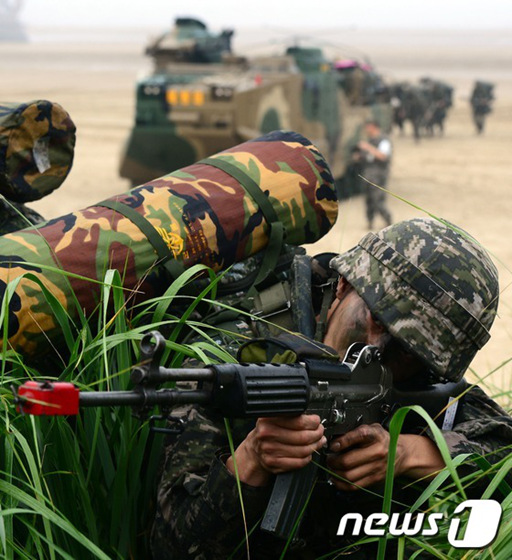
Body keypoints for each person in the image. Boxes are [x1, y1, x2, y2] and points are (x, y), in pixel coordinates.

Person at [151, 217, 512, 559]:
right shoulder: (234, 353)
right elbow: (171, 548)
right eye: (376, 319)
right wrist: (250, 460)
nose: (374, 348)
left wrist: (410, 453)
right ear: (343, 284)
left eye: (405, 349)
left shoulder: (418, 381)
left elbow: (503, 449)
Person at [356, 120, 393, 230]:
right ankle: (370, 222)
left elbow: (382, 156)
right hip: (368, 175)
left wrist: (367, 147)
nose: (366, 130)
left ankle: (388, 220)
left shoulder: (383, 140)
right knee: (369, 201)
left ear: (374, 127)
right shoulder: (370, 140)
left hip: (379, 176)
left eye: (368, 127)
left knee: (378, 200)